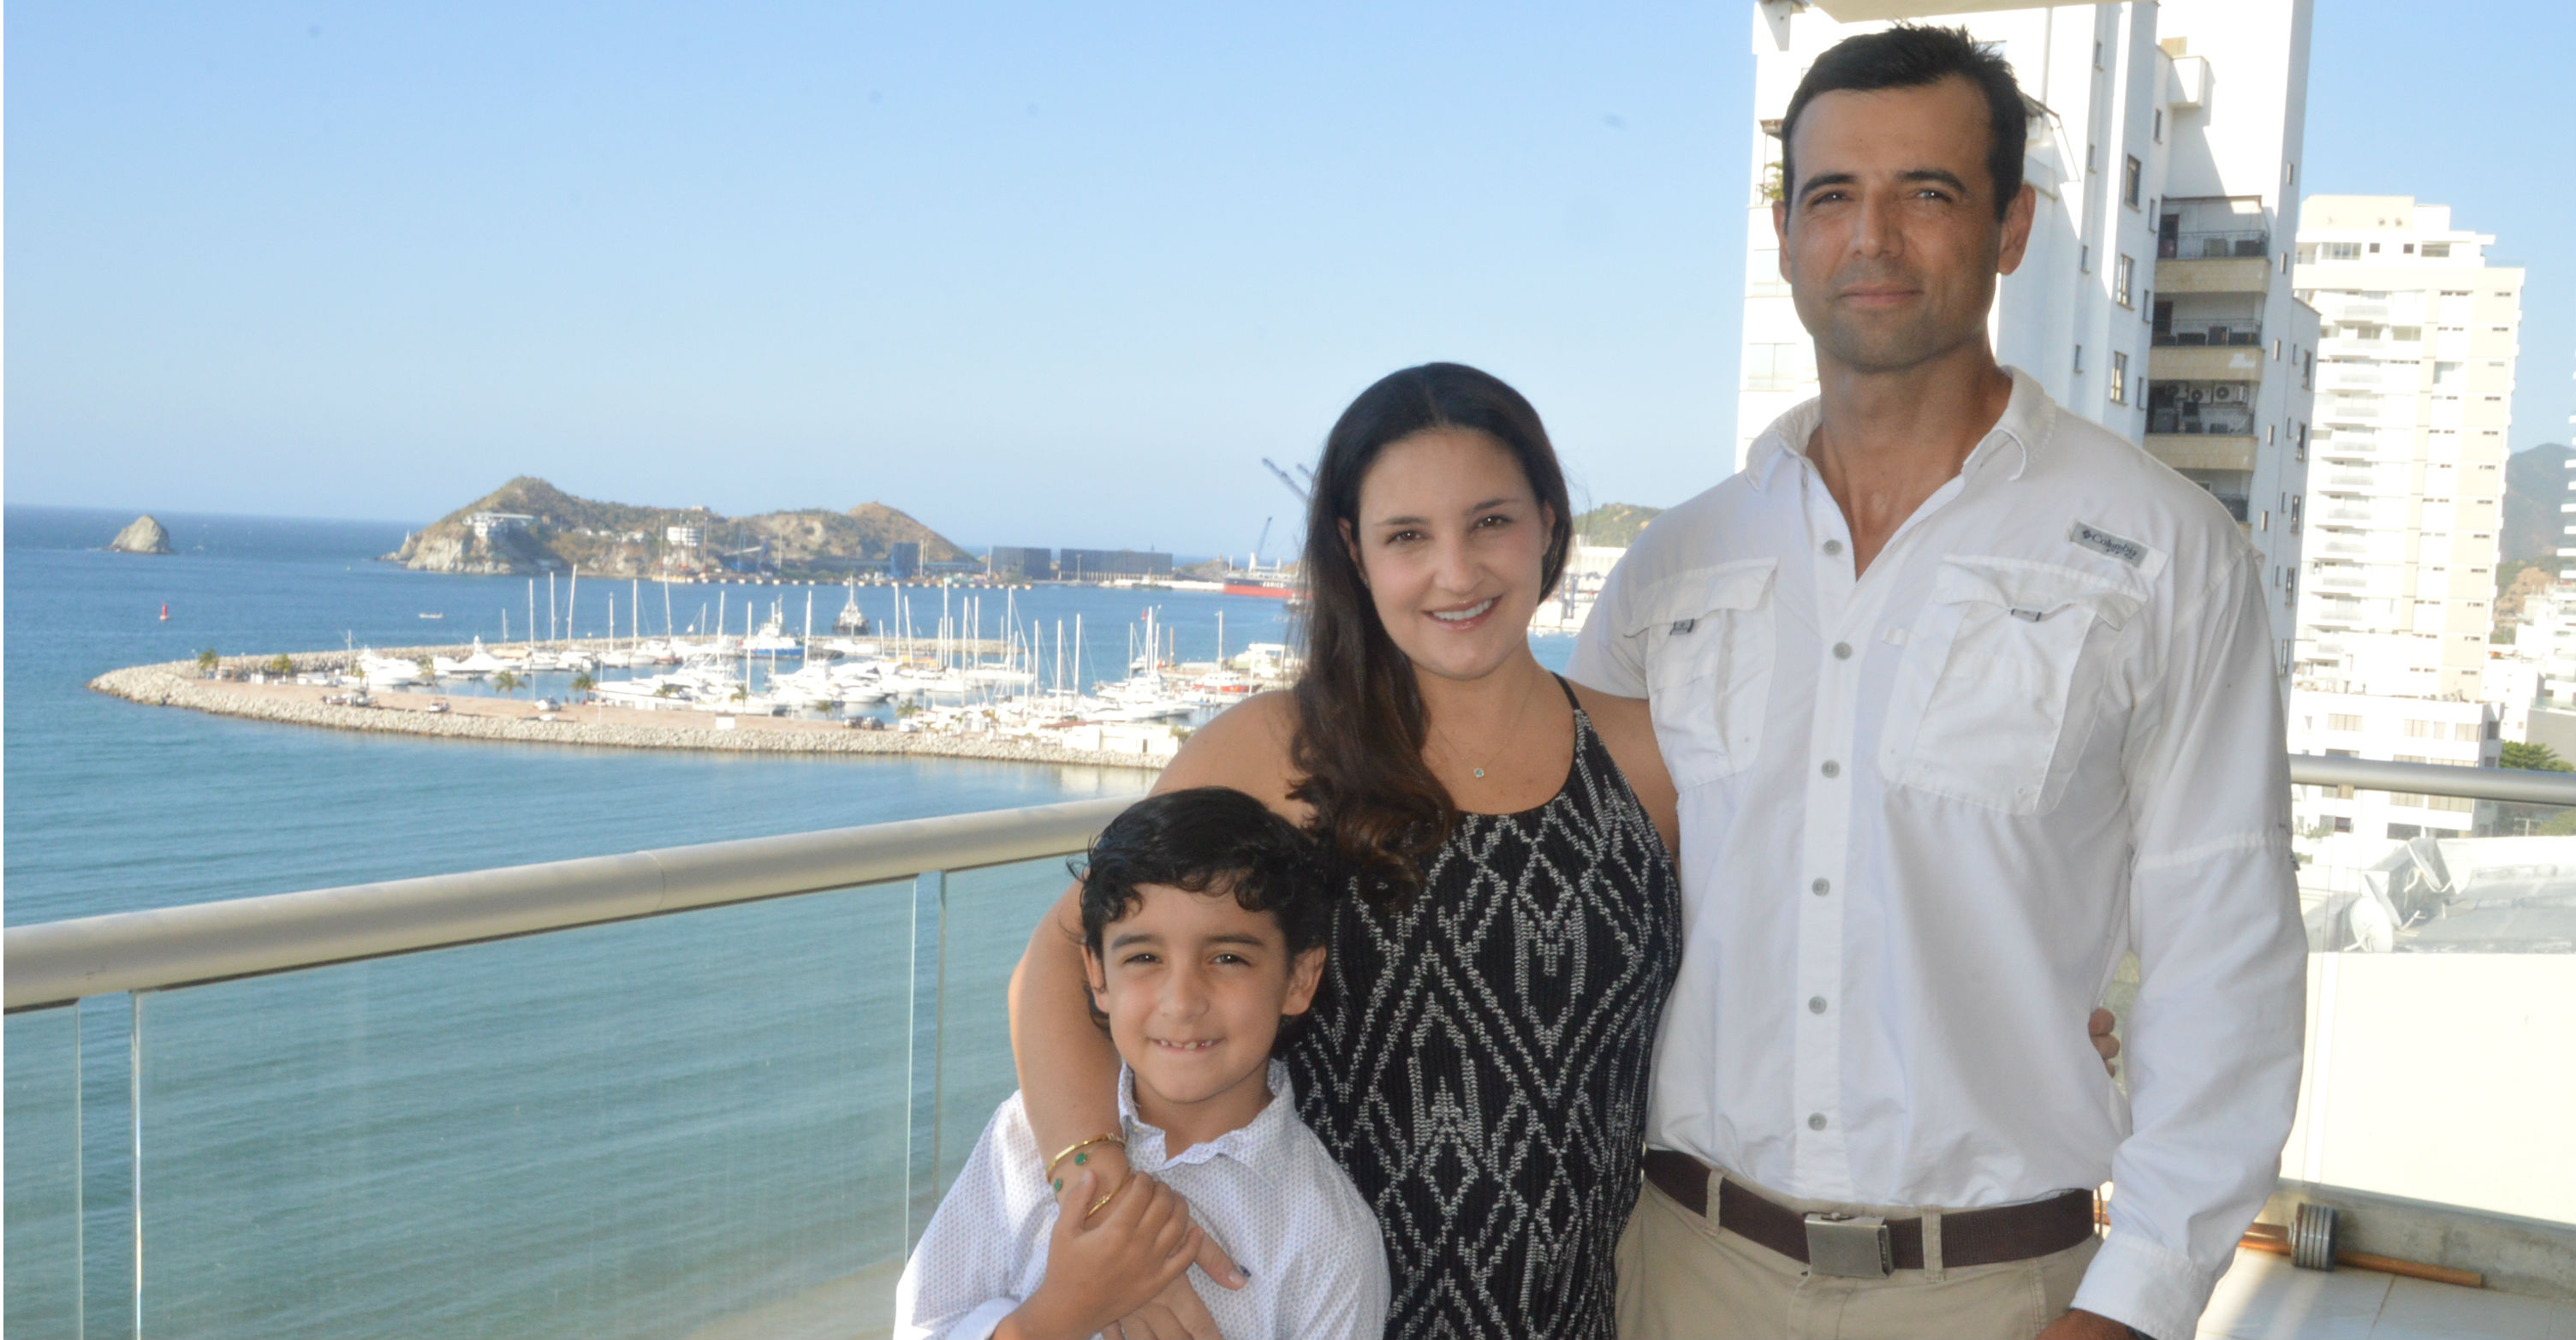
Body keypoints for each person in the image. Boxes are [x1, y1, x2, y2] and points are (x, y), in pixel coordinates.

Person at [1577, 25, 2307, 1340]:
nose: (1872, 238)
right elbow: (1572, 900)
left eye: (1926, 193)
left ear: (2011, 227)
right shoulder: (1670, 568)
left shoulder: (2167, 554)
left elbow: (2226, 948)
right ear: (1787, 231)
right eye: (1830, 197)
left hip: (1997, 1293)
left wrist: (2138, 1300)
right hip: (1676, 1271)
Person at [1014, 362, 1687, 1339]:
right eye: (1408, 536)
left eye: (1491, 522)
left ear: (1550, 524)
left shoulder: (1644, 761)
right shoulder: (1276, 753)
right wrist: (1099, 1182)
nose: (1456, 572)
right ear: (1354, 551)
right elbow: (1058, 959)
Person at [895, 786, 1389, 1340]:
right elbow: (924, 1323)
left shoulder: (1328, 1236)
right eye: (1144, 957)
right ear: (1097, 975)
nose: (1181, 1001)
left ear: (1299, 977)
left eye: (1227, 957)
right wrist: (1058, 1313)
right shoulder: (1023, 1140)